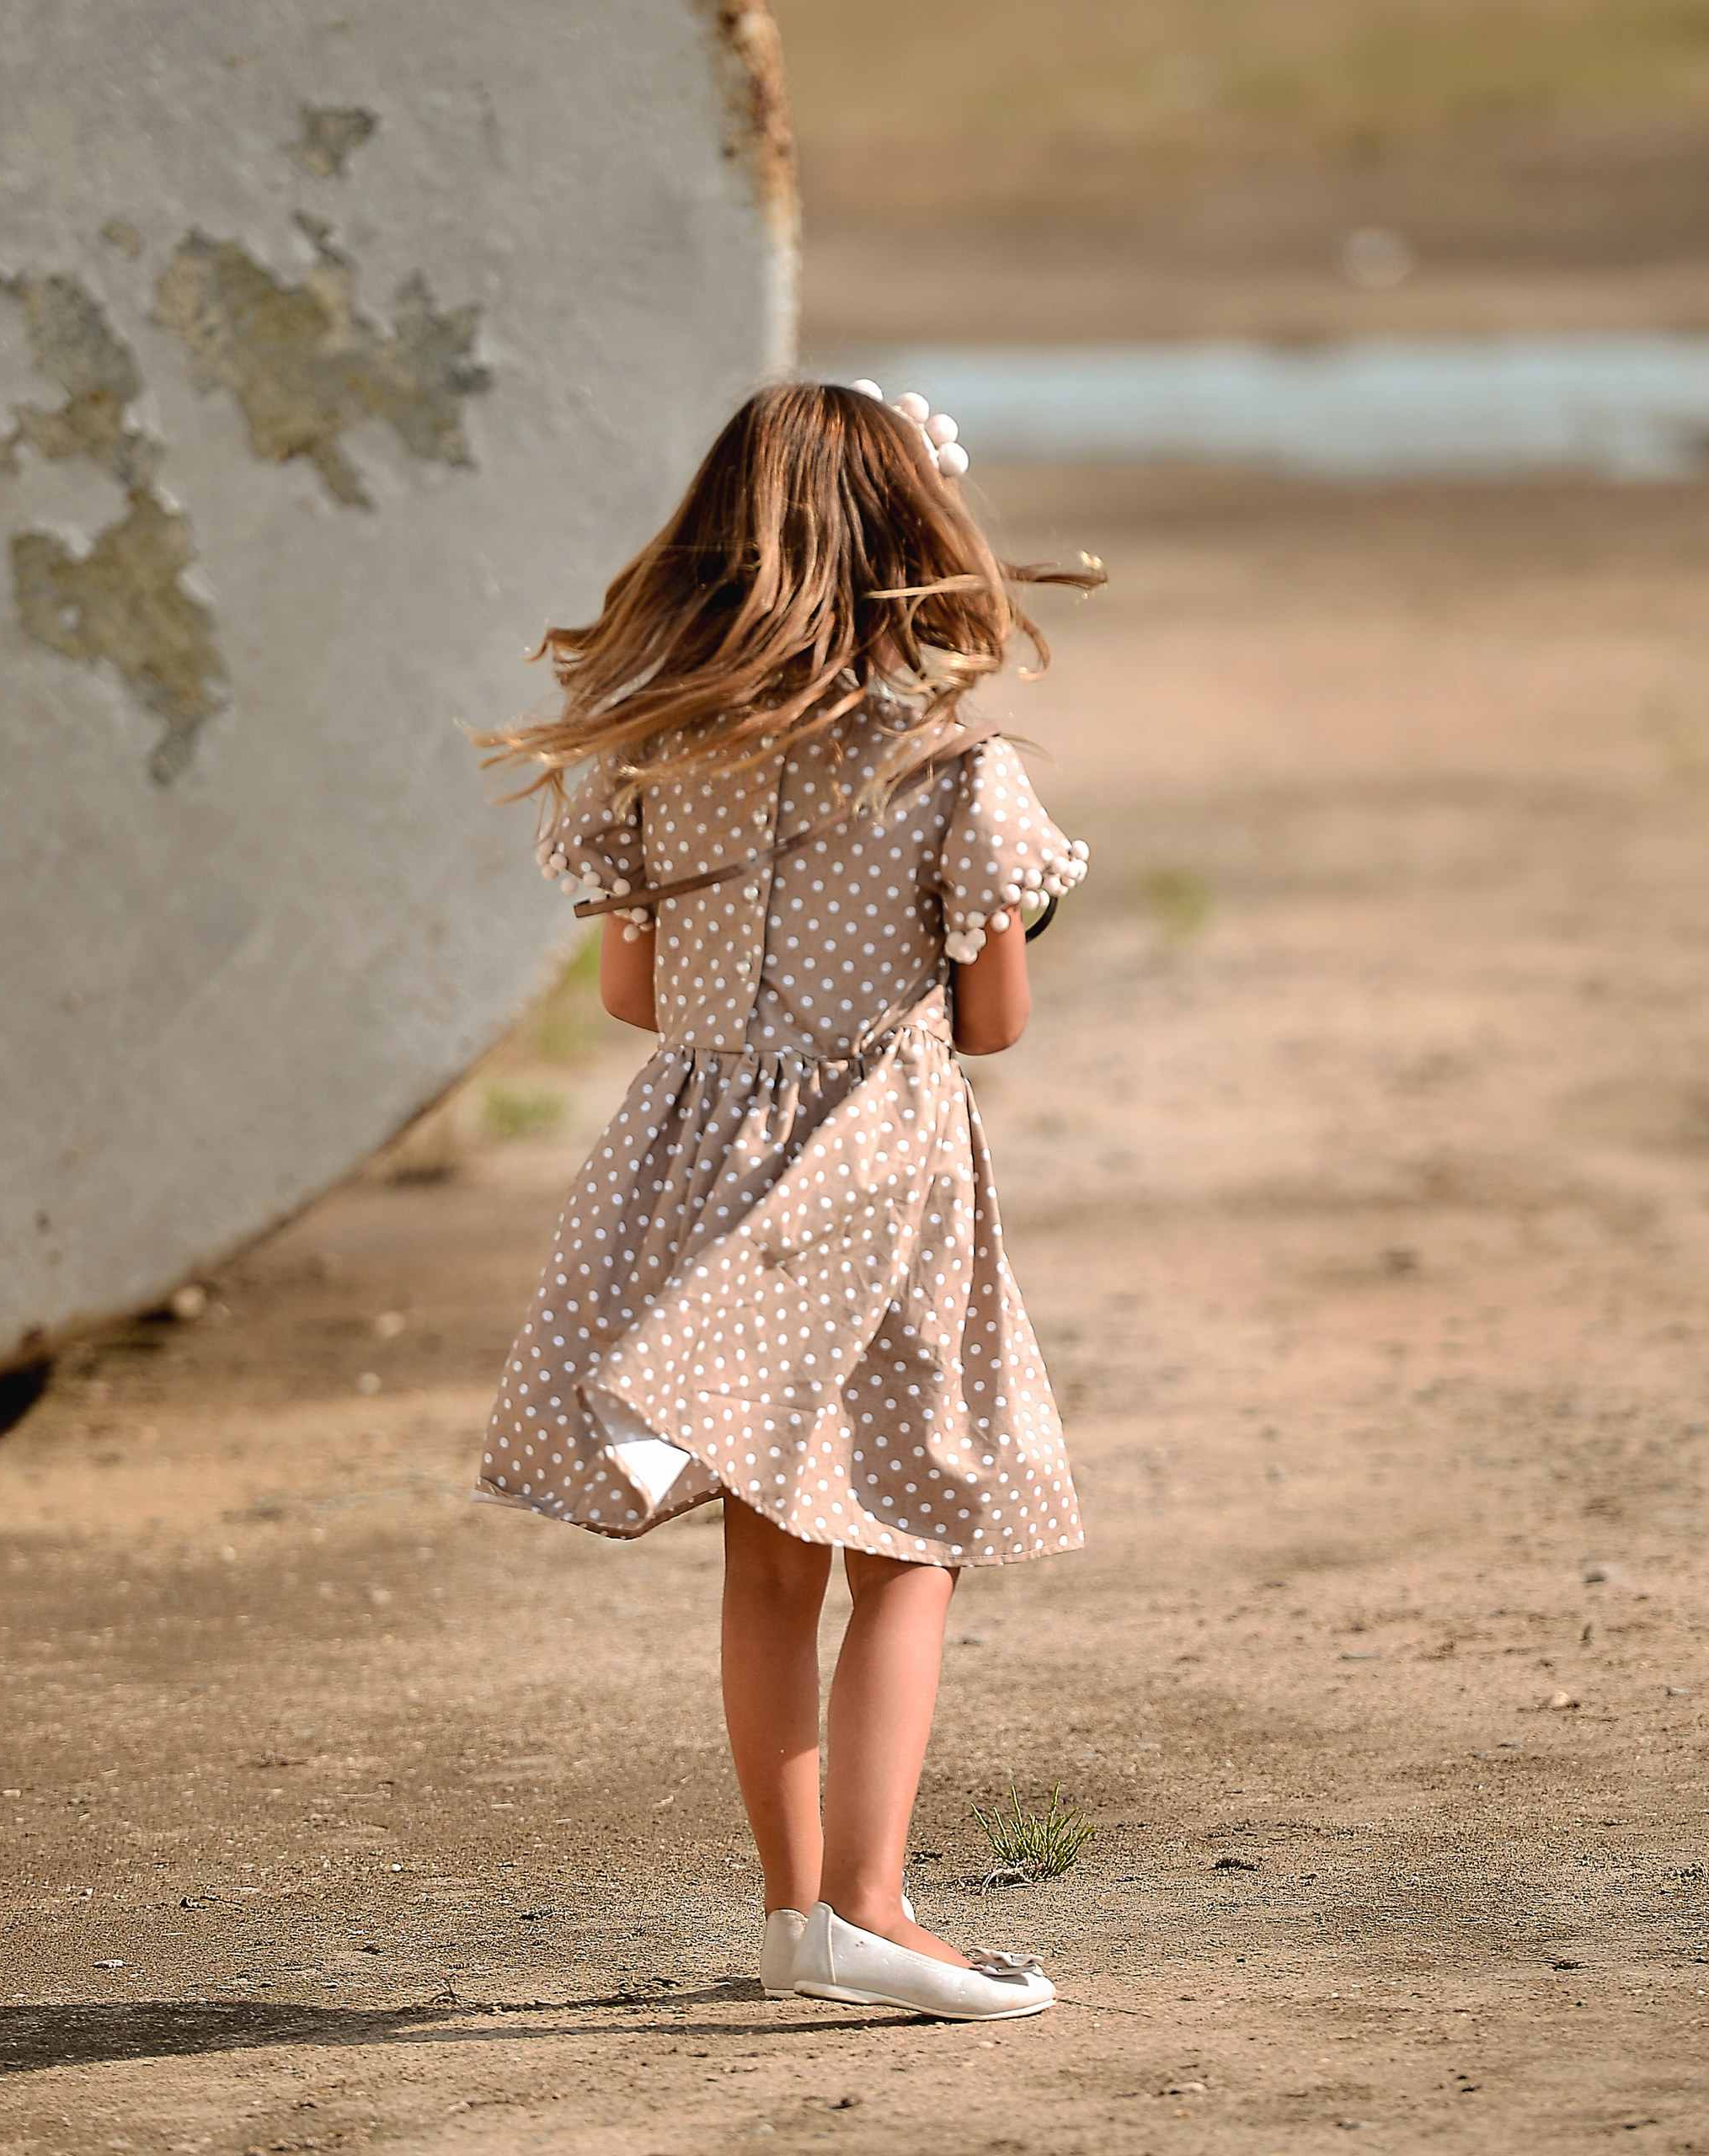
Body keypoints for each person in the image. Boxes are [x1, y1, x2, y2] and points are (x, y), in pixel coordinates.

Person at [473, 381, 1103, 2021]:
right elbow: (991, 1024)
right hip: (874, 1175)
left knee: (767, 1558)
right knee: (906, 1537)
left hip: (695, 1171)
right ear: (915, 538)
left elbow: (631, 994)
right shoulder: (952, 769)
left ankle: (790, 1913)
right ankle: (874, 1902)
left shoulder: (648, 764)